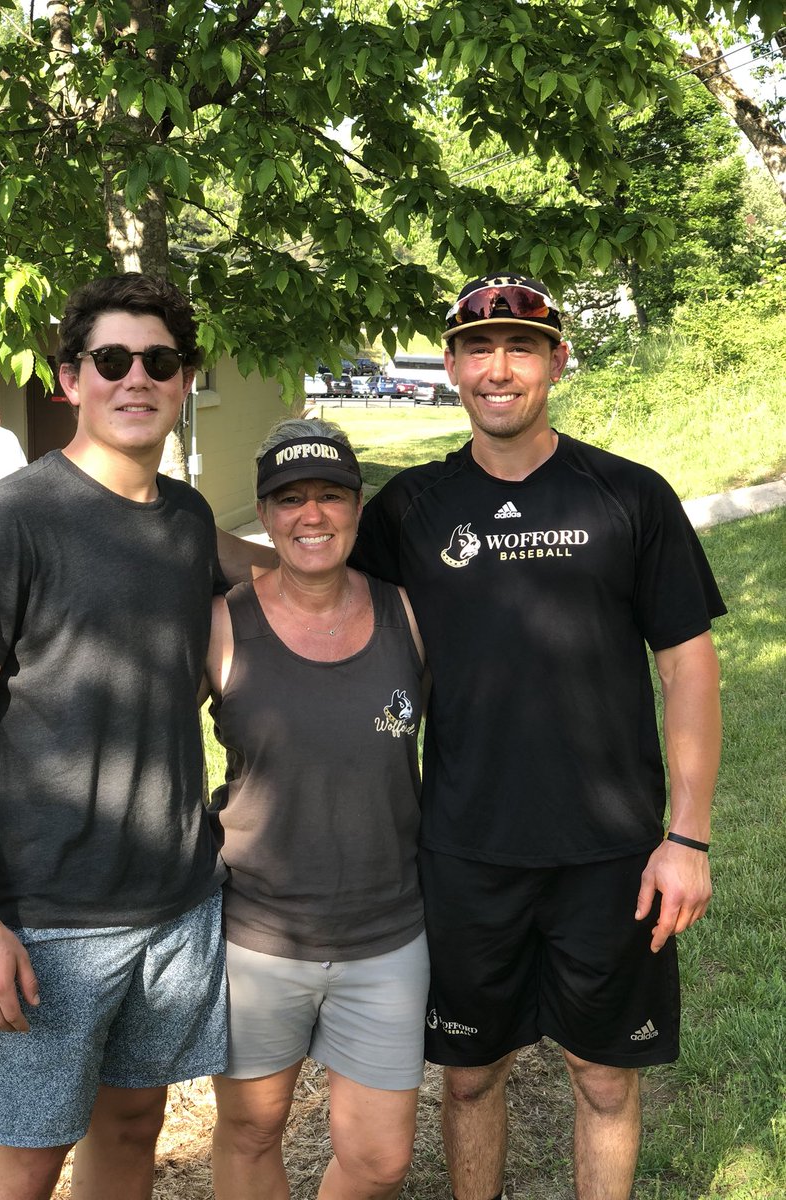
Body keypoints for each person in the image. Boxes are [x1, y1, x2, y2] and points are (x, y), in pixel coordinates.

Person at [349, 272, 726, 1200]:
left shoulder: (630, 497)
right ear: (450, 366)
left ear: (557, 359)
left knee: (602, 1078)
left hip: (612, 852)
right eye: (478, 349)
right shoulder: (410, 510)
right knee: (471, 1075)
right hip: (466, 848)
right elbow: (316, 616)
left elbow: (688, 667)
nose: (499, 368)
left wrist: (686, 838)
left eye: (521, 347)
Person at [0, 274, 228, 1200]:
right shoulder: (6, 522)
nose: (137, 378)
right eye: (112, 360)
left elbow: (263, 574)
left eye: (159, 360)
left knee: (135, 1127)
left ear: (184, 381)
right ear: (69, 379)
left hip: (176, 902)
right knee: (24, 1160)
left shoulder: (188, 519)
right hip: (46, 916)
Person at [207, 417, 429, 1200]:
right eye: (290, 498)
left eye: (331, 495)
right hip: (259, 938)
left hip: (387, 934)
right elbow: (135, 727)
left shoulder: (408, 613)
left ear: (357, 507)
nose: (312, 515)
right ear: (264, 515)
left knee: (378, 1162)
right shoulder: (224, 622)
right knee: (249, 1133)